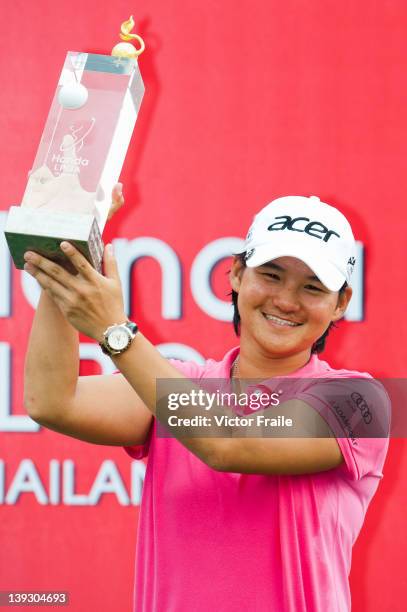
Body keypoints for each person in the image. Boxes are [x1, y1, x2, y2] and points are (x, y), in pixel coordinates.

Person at [23, 190, 390, 612]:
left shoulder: (360, 402)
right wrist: (65, 259)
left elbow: (227, 442)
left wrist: (115, 331)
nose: (286, 301)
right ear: (236, 274)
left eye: (312, 287)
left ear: (340, 303)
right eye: (271, 275)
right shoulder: (180, 384)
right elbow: (53, 400)